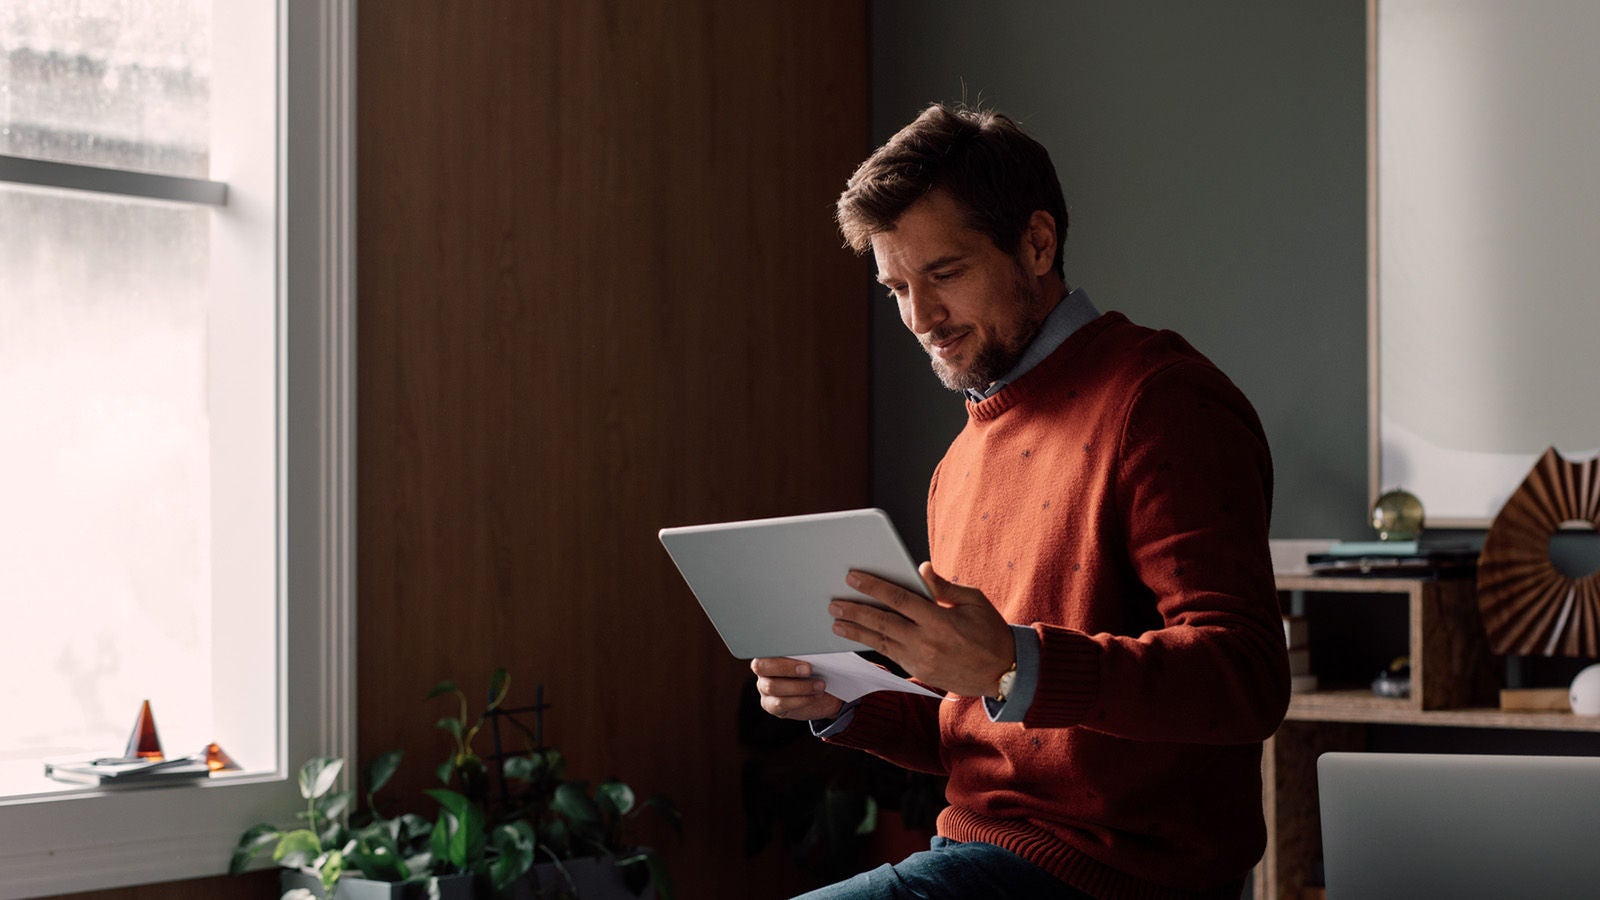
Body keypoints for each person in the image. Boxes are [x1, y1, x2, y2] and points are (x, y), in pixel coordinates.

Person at [752, 103, 1290, 899]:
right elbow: (975, 726)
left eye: (944, 275)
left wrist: (1011, 662)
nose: (921, 319)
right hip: (980, 857)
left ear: (1037, 244)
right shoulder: (961, 459)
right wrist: (845, 702)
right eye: (896, 287)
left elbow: (1246, 677)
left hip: (1118, 878)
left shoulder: (1161, 402)